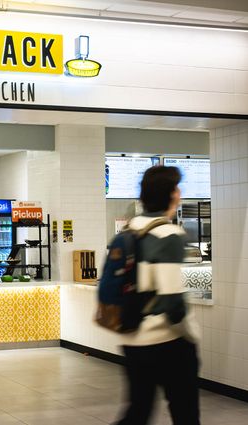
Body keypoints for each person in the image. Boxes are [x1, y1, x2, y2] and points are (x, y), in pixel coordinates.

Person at [117, 166, 200, 425]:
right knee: (185, 413)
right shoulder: (169, 234)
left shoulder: (130, 230)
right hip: (166, 341)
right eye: (177, 188)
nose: (180, 193)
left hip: (132, 337)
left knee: (137, 411)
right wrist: (191, 334)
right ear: (171, 194)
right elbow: (173, 301)